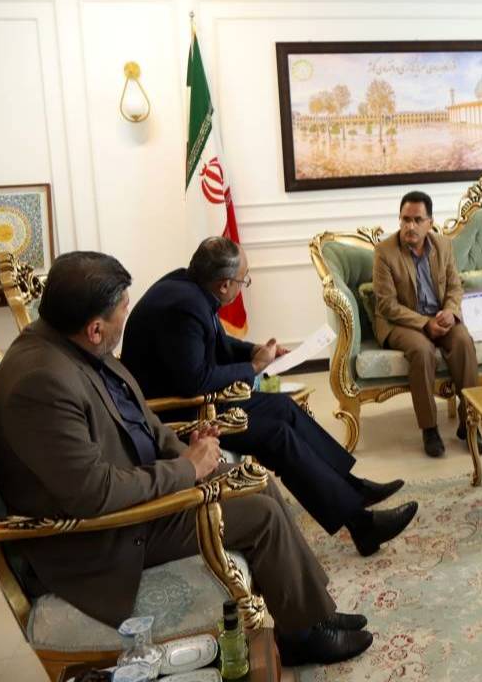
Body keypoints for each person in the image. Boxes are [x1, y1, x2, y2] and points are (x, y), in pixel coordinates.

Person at [0, 252, 372, 666]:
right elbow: (94, 493)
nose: (127, 318)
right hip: (106, 539)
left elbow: (141, 420)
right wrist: (186, 468)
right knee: (261, 515)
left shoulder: (75, 346)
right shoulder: (40, 383)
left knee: (254, 480)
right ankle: (302, 637)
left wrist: (188, 453)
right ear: (96, 329)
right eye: (123, 310)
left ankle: (313, 614)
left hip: (137, 494)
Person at [122, 237, 417, 557]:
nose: (243, 286)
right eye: (243, 280)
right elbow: (196, 381)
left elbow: (217, 345)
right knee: (277, 435)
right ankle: (362, 525)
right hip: (180, 416)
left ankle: (353, 486)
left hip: (199, 400)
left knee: (283, 407)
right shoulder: (185, 308)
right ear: (224, 285)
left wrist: (257, 351)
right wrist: (252, 367)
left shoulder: (190, 286)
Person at [372, 191, 482, 458]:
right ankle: (429, 428)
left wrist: (450, 312)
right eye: (405, 219)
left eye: (417, 220)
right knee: (422, 351)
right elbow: (387, 305)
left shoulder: (443, 245)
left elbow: (455, 286)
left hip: (440, 316)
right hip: (401, 322)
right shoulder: (385, 252)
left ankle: (470, 422)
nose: (410, 226)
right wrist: (425, 323)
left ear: (429, 223)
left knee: (463, 341)